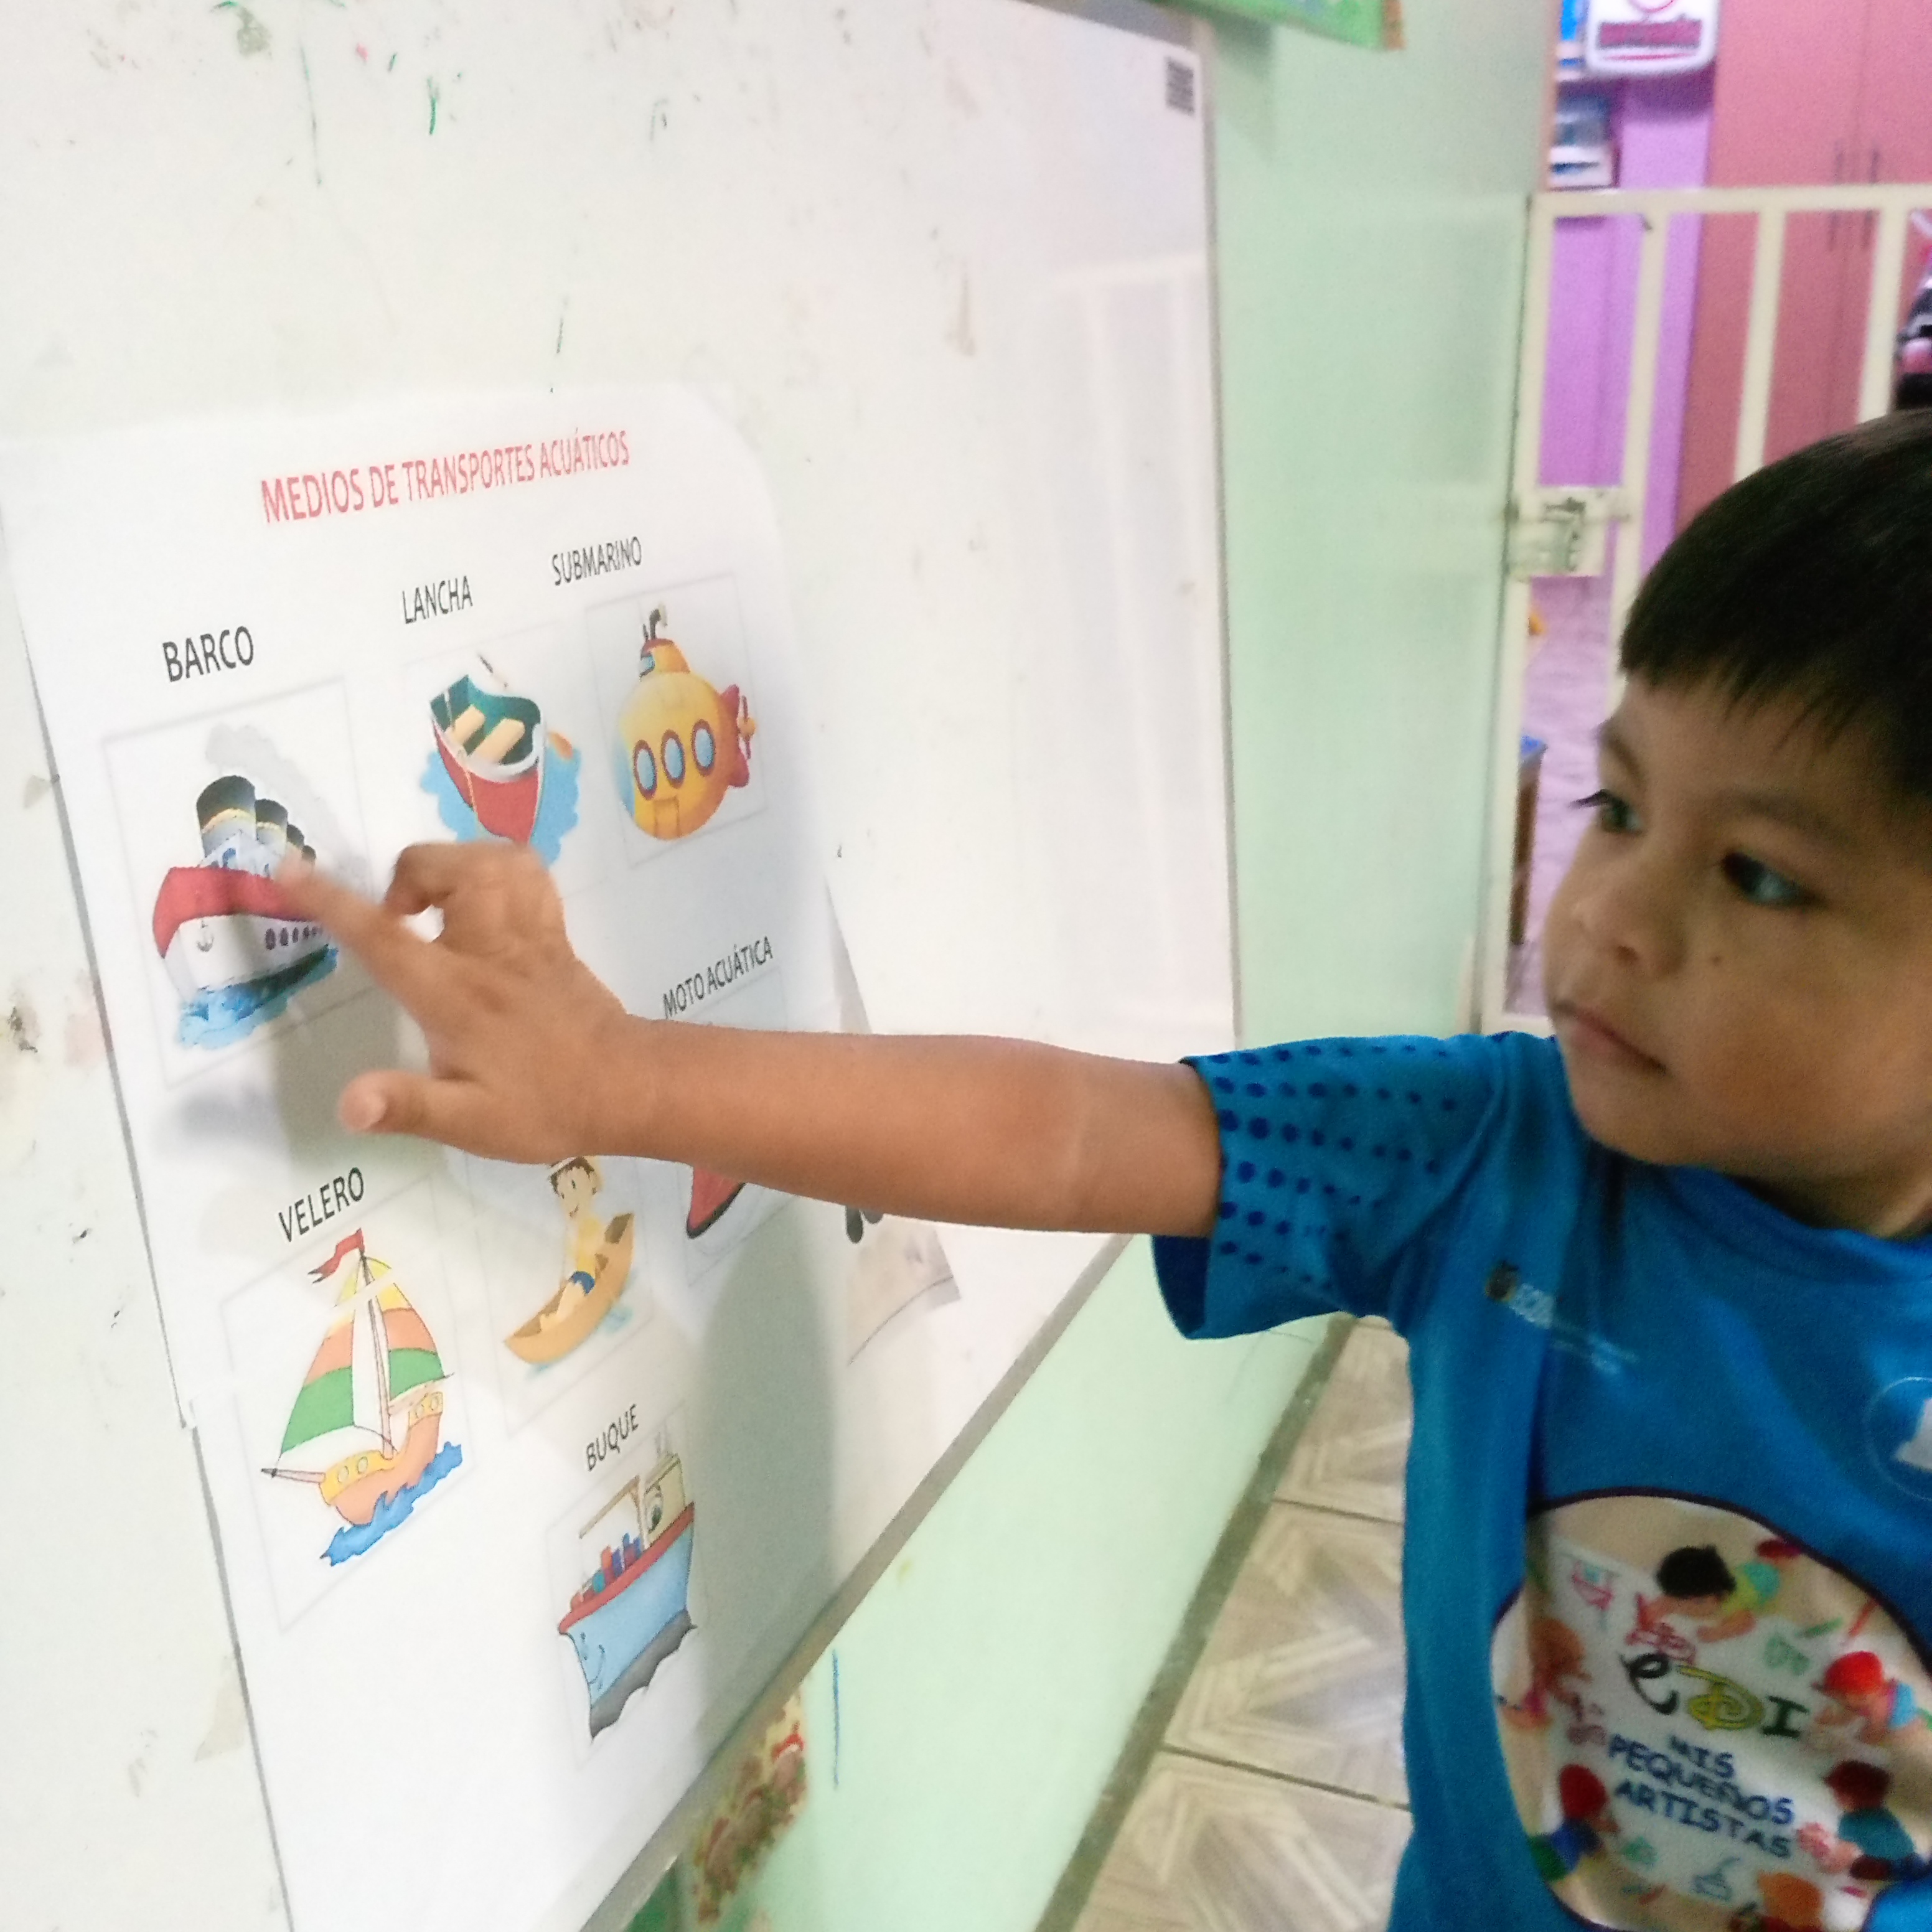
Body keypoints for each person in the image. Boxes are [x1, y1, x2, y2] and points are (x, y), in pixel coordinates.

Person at [280, 412, 1932, 1927]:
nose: (1610, 915)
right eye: (1619, 806)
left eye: (1760, 877)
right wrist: (619, 1075)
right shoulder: (1495, 1151)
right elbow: (1071, 1131)